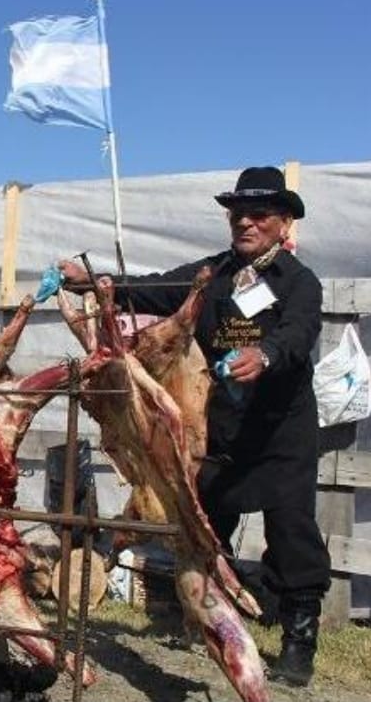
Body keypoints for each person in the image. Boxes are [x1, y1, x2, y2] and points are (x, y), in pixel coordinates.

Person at [59, 166, 330, 687]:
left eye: (258, 215)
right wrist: (94, 282)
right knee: (204, 522)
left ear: (283, 222)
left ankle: (300, 637)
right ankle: (206, 617)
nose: (245, 223)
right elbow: (158, 289)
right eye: (237, 215)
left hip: (279, 432)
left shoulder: (299, 282)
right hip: (223, 428)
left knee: (292, 532)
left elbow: (299, 334)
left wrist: (266, 353)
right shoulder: (217, 274)